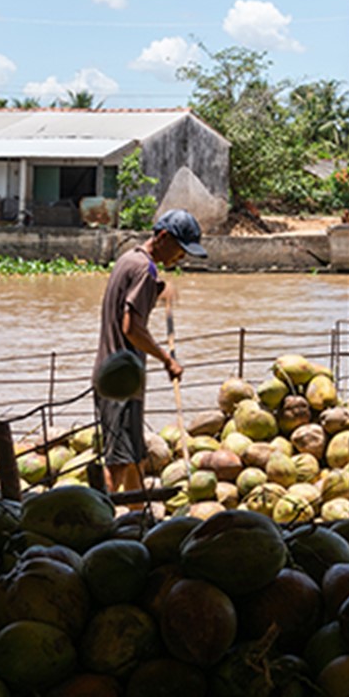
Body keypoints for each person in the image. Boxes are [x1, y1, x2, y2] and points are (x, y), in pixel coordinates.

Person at [97, 208, 206, 496]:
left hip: (116, 377)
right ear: (163, 237)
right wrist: (166, 359)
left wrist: (158, 289)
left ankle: (138, 520)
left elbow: (129, 296)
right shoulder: (146, 269)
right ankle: (94, 522)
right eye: (179, 250)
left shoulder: (130, 259)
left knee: (135, 459)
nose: (180, 258)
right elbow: (132, 327)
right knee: (118, 463)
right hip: (120, 382)